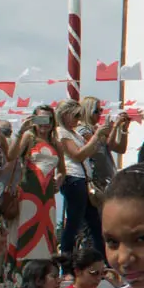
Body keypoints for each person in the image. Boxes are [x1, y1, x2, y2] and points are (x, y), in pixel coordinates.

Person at [9, 106, 66, 264]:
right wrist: (20, 132)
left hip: (47, 196)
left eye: (48, 119)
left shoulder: (56, 143)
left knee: (46, 233)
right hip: (28, 192)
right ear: (34, 120)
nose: (44, 124)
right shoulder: (29, 137)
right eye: (41, 119)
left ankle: (43, 272)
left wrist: (59, 181)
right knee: (26, 230)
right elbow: (12, 156)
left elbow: (62, 170)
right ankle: (20, 271)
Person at [55, 100, 111, 257]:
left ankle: (102, 260)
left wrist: (102, 136)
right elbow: (78, 154)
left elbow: (90, 152)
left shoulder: (74, 133)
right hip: (73, 178)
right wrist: (96, 137)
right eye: (76, 115)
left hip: (84, 179)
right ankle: (66, 261)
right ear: (65, 115)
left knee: (94, 223)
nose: (78, 119)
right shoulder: (61, 133)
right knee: (74, 222)